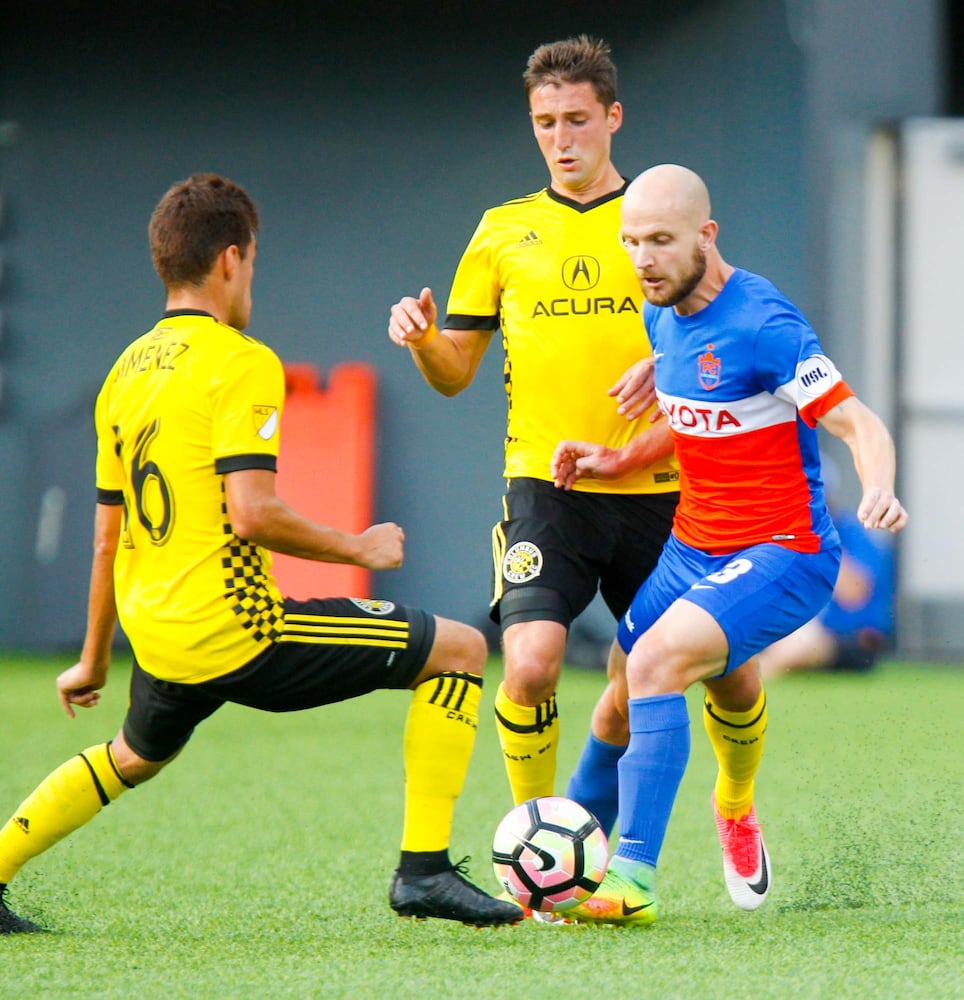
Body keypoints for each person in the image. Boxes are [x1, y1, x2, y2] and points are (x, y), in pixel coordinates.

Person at [0, 173, 522, 934]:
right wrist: (359, 545)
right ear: (232, 260)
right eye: (254, 265)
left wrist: (92, 657)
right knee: (464, 649)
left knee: (130, 757)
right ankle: (424, 872)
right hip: (236, 632)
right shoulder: (240, 361)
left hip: (158, 631)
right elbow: (252, 515)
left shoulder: (124, 373)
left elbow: (106, 533)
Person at [550, 164, 908, 926]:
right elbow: (688, 417)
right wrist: (616, 458)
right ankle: (558, 874)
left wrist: (878, 485)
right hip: (693, 548)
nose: (641, 258)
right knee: (621, 697)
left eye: (659, 241)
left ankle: (635, 879)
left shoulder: (765, 325)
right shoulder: (662, 311)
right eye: (630, 241)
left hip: (786, 551)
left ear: (706, 237)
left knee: (654, 664)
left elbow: (858, 422)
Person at [387, 36, 678, 833]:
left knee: (658, 678)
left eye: (577, 119)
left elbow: (720, 340)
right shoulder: (499, 233)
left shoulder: (655, 222)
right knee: (530, 667)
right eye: (545, 122)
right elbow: (456, 372)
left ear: (613, 118)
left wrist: (672, 368)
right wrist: (420, 340)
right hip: (546, 488)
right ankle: (537, 848)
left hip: (660, 485)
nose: (561, 138)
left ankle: (713, 807)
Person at [759, 464, 896, 679]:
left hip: (851, 640)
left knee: (803, 640)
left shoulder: (852, 531)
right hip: (796, 633)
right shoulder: (782, 535)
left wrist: (818, 538)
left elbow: (855, 594)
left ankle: (759, 678)